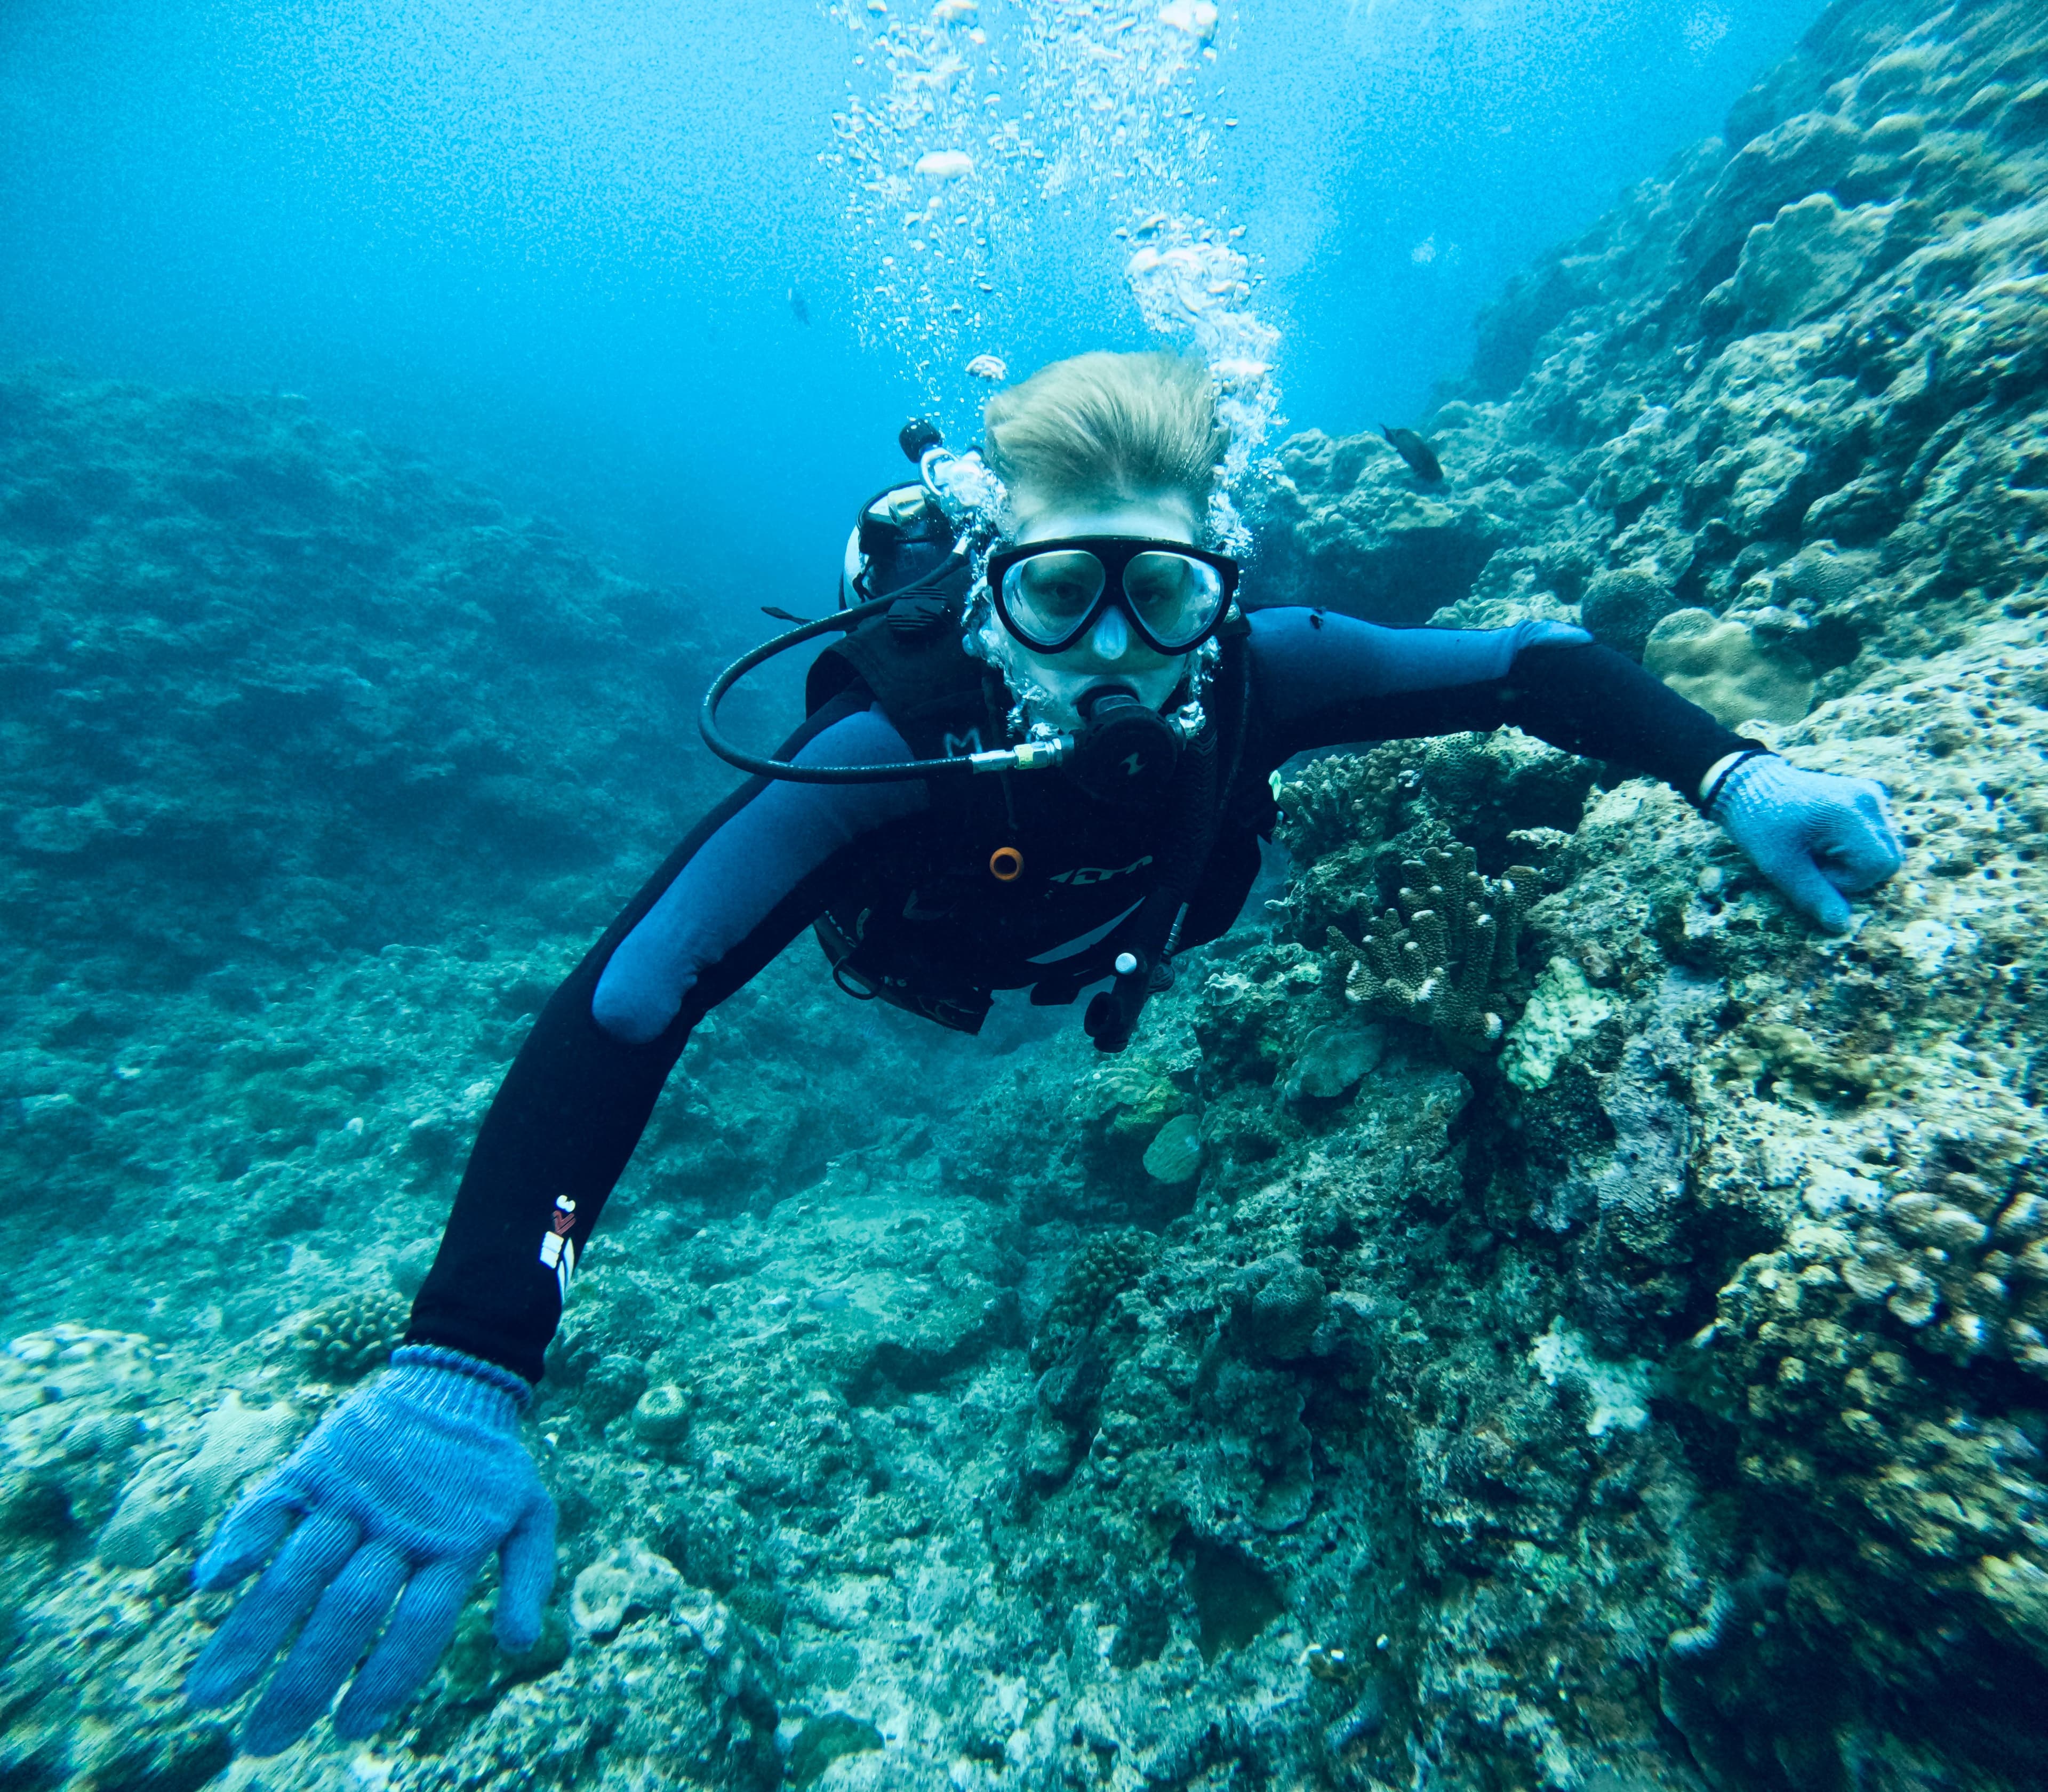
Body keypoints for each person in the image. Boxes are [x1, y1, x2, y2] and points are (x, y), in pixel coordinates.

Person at [184, 351, 1904, 1751]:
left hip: (1138, 929)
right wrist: (466, 1357)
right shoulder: (892, 743)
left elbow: (1541, 667)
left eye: (1161, 595)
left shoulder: (1259, 676)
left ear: (1218, 593)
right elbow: (631, 1002)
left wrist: (1739, 774)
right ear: (995, 596)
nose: (1111, 649)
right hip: (923, 954)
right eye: (1061, 590)